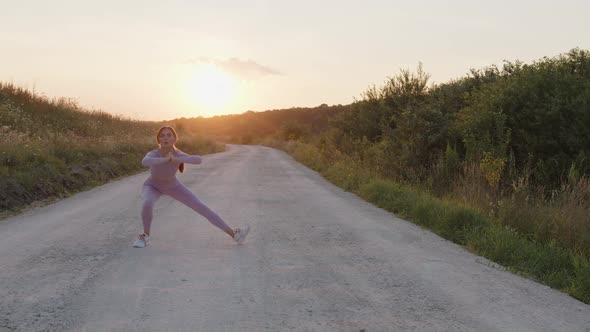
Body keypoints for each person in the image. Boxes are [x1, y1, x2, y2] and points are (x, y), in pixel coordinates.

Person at [133, 126, 249, 247]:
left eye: (169, 135)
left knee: (201, 207)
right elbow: (144, 162)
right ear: (158, 140)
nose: (165, 138)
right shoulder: (153, 153)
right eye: (162, 135)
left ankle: (235, 235)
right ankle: (145, 236)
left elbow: (198, 160)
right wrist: (165, 159)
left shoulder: (178, 153)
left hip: (173, 186)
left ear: (174, 139)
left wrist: (176, 159)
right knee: (147, 203)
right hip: (152, 185)